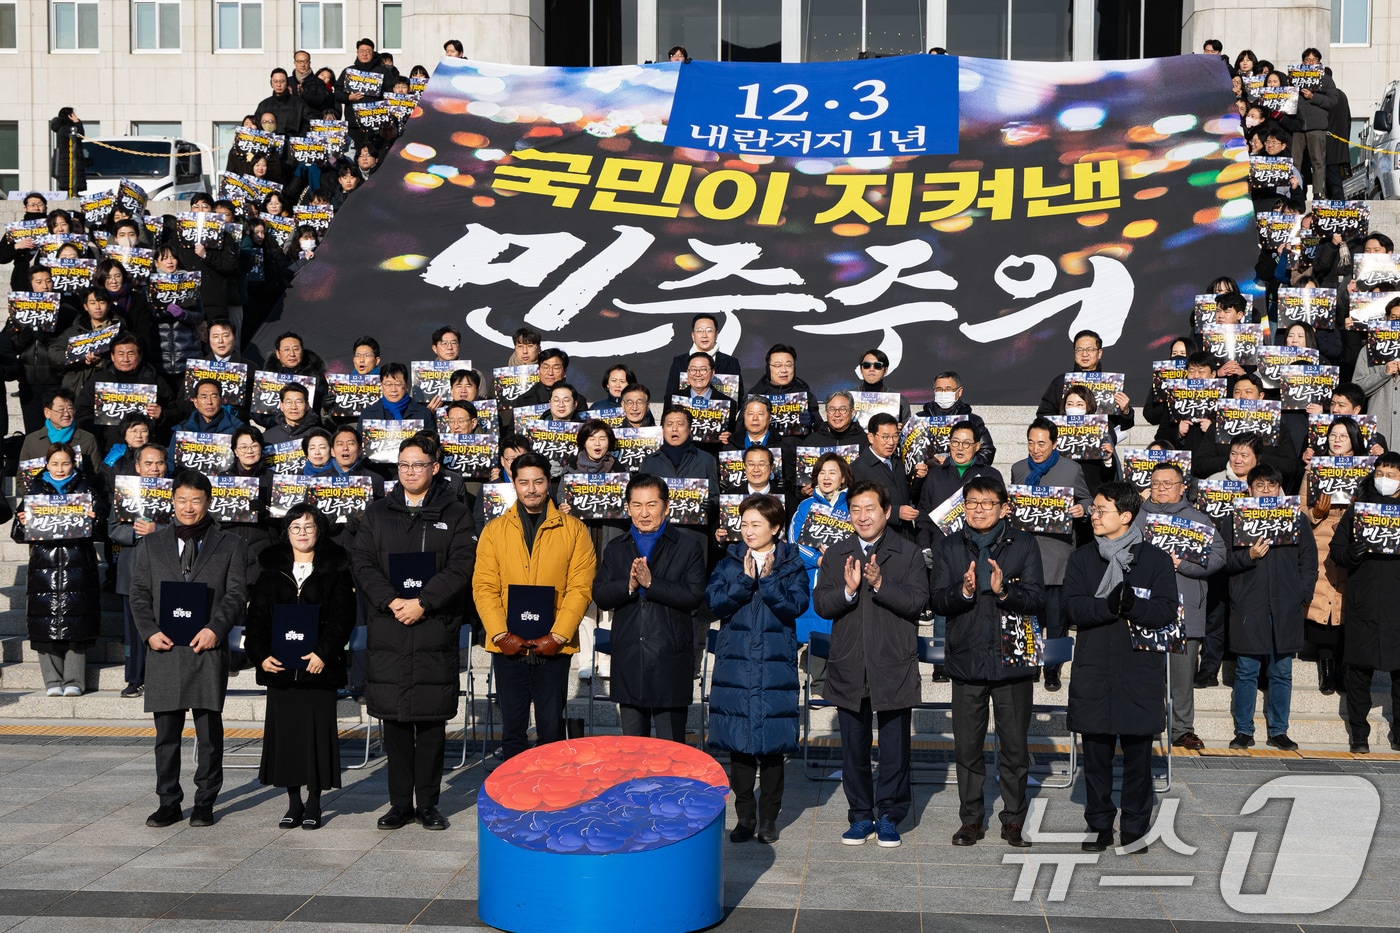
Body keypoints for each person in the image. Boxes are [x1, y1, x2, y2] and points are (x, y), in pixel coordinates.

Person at [352, 434, 475, 830]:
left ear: (434, 468)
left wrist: (424, 602)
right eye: (404, 465)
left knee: (432, 722)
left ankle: (429, 805)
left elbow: (461, 565)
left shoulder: (455, 512)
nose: (410, 471)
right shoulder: (377, 513)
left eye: (418, 464)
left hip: (433, 629)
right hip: (389, 628)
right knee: (396, 723)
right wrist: (391, 601)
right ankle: (400, 804)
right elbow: (362, 563)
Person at [128, 470, 249, 829]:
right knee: (166, 735)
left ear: (208, 502)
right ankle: (168, 802)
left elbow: (236, 594)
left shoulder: (230, 544)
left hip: (206, 650)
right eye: (182, 499)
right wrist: (149, 633)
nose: (189, 507)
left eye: (196, 500)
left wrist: (216, 629)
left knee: (209, 733)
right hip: (164, 650)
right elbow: (139, 594)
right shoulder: (152, 544)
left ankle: (205, 802)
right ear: (173, 501)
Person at [1062, 481, 1178, 853]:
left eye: (1101, 510)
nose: (1093, 516)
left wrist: (1133, 606)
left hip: (1139, 669)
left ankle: (1134, 827)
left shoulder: (1155, 560)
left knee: (1138, 758)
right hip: (1095, 666)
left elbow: (1165, 612)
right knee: (1095, 756)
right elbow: (1072, 607)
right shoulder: (1082, 558)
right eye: (1093, 509)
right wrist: (1108, 606)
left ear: (1126, 516)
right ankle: (1098, 825)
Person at [929, 475, 1045, 848]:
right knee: (967, 748)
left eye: (987, 503)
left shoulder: (1024, 544)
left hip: (1013, 661)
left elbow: (1037, 598)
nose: (979, 510)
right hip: (966, 659)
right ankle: (971, 820)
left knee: (1014, 748)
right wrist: (963, 591)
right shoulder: (948, 546)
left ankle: (1013, 819)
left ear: (1003, 508)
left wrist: (1004, 591)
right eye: (972, 503)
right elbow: (937, 600)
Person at [812, 480, 929, 849]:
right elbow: (822, 604)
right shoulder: (837, 554)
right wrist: (848, 590)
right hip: (850, 663)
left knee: (895, 748)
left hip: (892, 662)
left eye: (870, 509)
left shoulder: (908, 553)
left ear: (886, 512)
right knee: (853, 748)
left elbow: (918, 603)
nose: (863, 516)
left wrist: (880, 584)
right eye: (856, 510)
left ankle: (890, 815)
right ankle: (861, 815)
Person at [474, 451, 596, 760]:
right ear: (514, 484)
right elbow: (484, 587)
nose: (531, 489)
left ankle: (551, 788)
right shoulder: (494, 530)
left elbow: (580, 588)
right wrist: (500, 634)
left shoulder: (574, 530)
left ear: (549, 483)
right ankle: (513, 789)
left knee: (551, 732)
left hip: (553, 645)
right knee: (512, 732)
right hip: (508, 645)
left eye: (538, 482)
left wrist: (558, 636)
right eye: (524, 482)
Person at [243, 505, 355, 830]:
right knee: (288, 739)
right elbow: (257, 618)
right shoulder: (271, 570)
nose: (302, 533)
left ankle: (315, 801)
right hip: (280, 670)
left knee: (316, 738)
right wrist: (261, 655)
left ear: (319, 530)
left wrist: (323, 653)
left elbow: (343, 617)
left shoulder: (336, 568)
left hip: (318, 670)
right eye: (295, 527)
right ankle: (294, 802)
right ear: (286, 532)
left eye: (308, 527)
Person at [706, 494, 808, 844]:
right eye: (745, 524)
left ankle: (768, 819)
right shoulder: (730, 561)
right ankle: (744, 816)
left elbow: (796, 605)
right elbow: (714, 602)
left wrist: (768, 581)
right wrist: (744, 581)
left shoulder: (791, 563)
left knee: (772, 749)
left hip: (774, 667)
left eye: (756, 524)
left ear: (776, 528)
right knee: (740, 748)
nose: (748, 531)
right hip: (736, 668)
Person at [592, 474, 706, 741]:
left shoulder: (687, 546)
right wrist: (629, 585)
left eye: (651, 505)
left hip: (669, 657)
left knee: (671, 748)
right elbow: (601, 594)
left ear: (666, 507)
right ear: (628, 507)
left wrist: (652, 584)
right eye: (637, 505)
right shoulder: (616, 547)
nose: (644, 513)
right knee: (633, 749)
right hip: (630, 655)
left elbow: (694, 595)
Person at [1222, 464, 1318, 751]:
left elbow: (1309, 560)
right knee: (1246, 670)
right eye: (1259, 486)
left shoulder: (1296, 519)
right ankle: (1243, 730)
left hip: (1285, 604)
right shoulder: (1235, 518)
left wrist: (1302, 592)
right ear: (1249, 489)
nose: (1266, 491)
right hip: (1249, 604)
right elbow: (1223, 560)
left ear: (1279, 489)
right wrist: (1248, 556)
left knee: (1282, 671)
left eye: (1271, 485)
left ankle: (1279, 730)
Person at [1132, 461, 1226, 750]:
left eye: (1167, 483)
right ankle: (1143, 724)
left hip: (1186, 609)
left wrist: (1183, 564)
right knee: (1144, 672)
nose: (1161, 488)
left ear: (1182, 487)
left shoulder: (1198, 519)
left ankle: (1182, 729)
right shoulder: (1137, 517)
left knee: (1182, 677)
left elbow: (1219, 556)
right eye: (1156, 483)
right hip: (1145, 607)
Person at [13, 442, 103, 697]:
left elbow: (104, 531)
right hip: (44, 566)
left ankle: (74, 680)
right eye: (55, 464)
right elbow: (17, 534)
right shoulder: (34, 491)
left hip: (78, 564)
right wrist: (22, 523)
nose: (60, 468)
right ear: (47, 465)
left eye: (65, 463)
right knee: (44, 625)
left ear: (74, 463)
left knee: (77, 626)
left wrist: (95, 519)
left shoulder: (87, 490)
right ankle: (52, 680)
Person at [1009, 417, 1092, 691]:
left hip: (1057, 554)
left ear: (1055, 444)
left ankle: (1052, 669)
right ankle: (1030, 664)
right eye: (1031, 443)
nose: (1035, 449)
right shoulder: (1018, 469)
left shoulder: (1071, 469)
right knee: (1028, 614)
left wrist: (1082, 509)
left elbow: (1088, 499)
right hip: (1025, 554)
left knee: (1056, 618)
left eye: (1041, 443)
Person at [1330, 452, 1400, 753]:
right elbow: (1336, 549)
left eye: (1392, 474)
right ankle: (1359, 733)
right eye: (1380, 473)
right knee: (1359, 671)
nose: (1385, 479)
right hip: (1365, 600)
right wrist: (1351, 554)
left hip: (1397, 602)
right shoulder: (1359, 509)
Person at [1301, 417, 1365, 694]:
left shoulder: (1365, 472)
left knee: (1346, 604)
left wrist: (1357, 510)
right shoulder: (1314, 470)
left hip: (1351, 544)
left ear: (1354, 441)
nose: (1337, 440)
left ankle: (1344, 667)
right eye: (1333, 435)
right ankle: (1326, 667)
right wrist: (1316, 513)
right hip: (1320, 543)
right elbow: (1300, 510)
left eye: (1343, 436)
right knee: (1322, 605)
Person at [108, 443, 168, 700]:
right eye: (148, 463)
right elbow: (112, 529)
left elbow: (187, 524)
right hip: (133, 570)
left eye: (159, 463)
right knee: (134, 631)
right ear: (137, 466)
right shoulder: (125, 492)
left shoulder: (176, 491)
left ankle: (163, 677)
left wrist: (158, 529)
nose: (154, 468)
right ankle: (135, 678)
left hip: (167, 572)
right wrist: (135, 532)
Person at [914, 422, 1002, 550]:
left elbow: (1000, 514)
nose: (960, 448)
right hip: (941, 550)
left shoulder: (991, 475)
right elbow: (923, 514)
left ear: (977, 446)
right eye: (955, 442)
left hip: (980, 550)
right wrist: (924, 547)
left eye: (966, 443)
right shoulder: (934, 475)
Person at [1035, 330, 1134, 438]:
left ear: (1099, 353)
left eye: (1090, 349)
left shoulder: (1111, 385)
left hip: (1102, 444)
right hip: (1066, 442)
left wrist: (1125, 411)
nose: (1084, 354)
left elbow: (1126, 424)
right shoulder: (1061, 382)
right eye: (1080, 350)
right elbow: (1043, 415)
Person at [17, 389, 101, 486]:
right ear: (47, 412)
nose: (66, 414)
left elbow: (96, 474)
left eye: (70, 409)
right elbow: (22, 478)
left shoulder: (87, 439)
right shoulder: (32, 440)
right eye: (61, 410)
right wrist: (35, 494)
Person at [918, 371, 996, 466]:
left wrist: (961, 463)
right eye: (939, 389)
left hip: (962, 473)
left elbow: (987, 452)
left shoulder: (972, 421)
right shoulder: (919, 419)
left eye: (948, 389)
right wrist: (927, 463)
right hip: (929, 473)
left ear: (959, 391)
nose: (943, 393)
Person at [665, 314, 744, 401]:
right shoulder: (679, 361)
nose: (704, 335)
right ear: (693, 336)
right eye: (699, 331)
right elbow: (670, 397)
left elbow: (738, 398)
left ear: (716, 335)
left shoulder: (730, 362)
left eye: (709, 331)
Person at [1294, 48, 1338, 197]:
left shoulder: (1325, 79)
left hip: (1317, 126)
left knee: (1318, 161)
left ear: (1319, 63)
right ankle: (1295, 191)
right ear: (1302, 62)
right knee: (1295, 161)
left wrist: (1313, 97)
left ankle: (1318, 192)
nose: (1310, 62)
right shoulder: (1294, 78)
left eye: (1314, 60)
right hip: (1297, 126)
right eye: (1307, 60)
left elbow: (1333, 100)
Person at [256, 68, 313, 138]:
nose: (279, 85)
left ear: (287, 83)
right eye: (275, 81)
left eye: (282, 81)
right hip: (270, 142)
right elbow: (257, 125)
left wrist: (298, 139)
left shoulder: (299, 104)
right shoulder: (264, 105)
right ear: (271, 83)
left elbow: (308, 124)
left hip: (292, 142)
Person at [51, 107, 85, 196]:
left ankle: (74, 193)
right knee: (70, 182)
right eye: (73, 114)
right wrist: (77, 122)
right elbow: (79, 135)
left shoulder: (63, 128)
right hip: (68, 161)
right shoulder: (66, 128)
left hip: (69, 159)